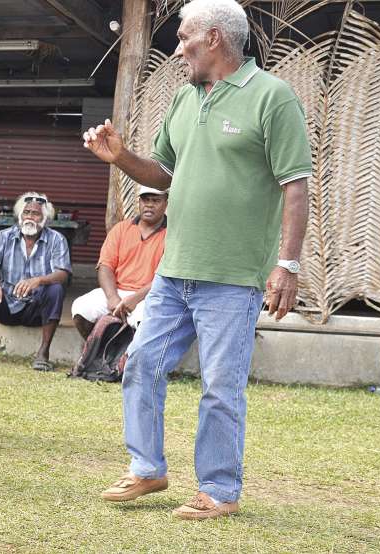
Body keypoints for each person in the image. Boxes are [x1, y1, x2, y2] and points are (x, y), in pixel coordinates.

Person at [84, 0, 311, 520]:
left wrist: (288, 265)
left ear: (213, 38)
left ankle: (220, 491)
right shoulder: (186, 99)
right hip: (174, 271)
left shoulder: (272, 98)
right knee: (141, 363)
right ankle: (147, 468)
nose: (179, 47)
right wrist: (120, 157)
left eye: (185, 37)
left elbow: (295, 187)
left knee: (220, 388)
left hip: (232, 278)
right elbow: (162, 173)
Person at [0, 192, 70, 372]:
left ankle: (43, 353)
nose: (30, 217)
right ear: (20, 215)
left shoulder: (57, 240)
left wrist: (39, 280)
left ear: (45, 218)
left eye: (35, 214)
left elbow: (63, 273)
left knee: (56, 288)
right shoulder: (5, 236)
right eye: (26, 212)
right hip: (6, 306)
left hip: (36, 310)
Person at [71, 186, 168, 339]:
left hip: (150, 295)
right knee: (81, 308)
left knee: (144, 320)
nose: (149, 205)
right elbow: (105, 266)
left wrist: (135, 299)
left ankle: (129, 360)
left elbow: (164, 278)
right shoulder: (121, 228)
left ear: (166, 204)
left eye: (156, 200)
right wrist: (112, 298)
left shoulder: (172, 235)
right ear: (139, 202)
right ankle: (99, 355)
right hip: (117, 292)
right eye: (145, 200)